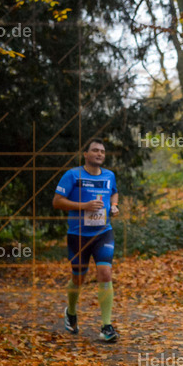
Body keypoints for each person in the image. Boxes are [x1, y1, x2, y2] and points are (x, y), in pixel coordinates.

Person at [53, 139, 120, 343]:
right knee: (78, 278)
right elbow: (57, 202)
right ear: (86, 154)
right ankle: (71, 312)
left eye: (102, 151)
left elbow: (114, 192)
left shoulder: (109, 176)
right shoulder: (72, 175)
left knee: (105, 272)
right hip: (78, 236)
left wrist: (114, 206)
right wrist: (83, 206)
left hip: (103, 233)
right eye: (95, 150)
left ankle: (106, 326)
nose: (99, 154)